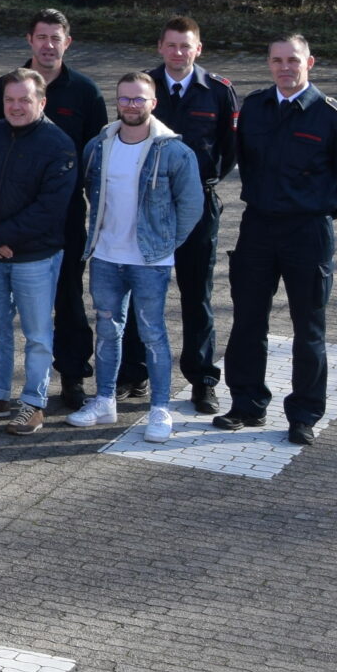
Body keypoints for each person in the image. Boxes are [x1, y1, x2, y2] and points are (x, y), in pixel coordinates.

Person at [213, 36, 337, 445]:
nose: (286, 67)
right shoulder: (255, 107)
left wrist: (324, 210)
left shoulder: (333, 117)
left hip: (308, 232)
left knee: (309, 327)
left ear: (310, 63)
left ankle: (303, 414)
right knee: (247, 321)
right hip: (259, 227)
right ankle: (246, 403)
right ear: (268, 64)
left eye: (293, 60)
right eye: (277, 60)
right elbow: (242, 158)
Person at [0, 10, 107, 407]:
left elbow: (95, 156)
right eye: (42, 37)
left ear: (68, 42)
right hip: (0, 224)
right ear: (29, 40)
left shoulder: (86, 92)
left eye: (56, 38)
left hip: (60, 219)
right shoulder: (4, 86)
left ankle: (72, 375)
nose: (48, 45)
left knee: (67, 299)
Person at [66, 74, 205, 442]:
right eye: (125, 98)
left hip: (149, 261)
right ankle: (104, 399)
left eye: (139, 99)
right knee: (107, 330)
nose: (131, 105)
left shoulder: (174, 151)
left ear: (153, 103)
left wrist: (163, 246)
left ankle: (159, 409)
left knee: (153, 334)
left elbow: (191, 207)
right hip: (106, 257)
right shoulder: (98, 146)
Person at [0, 70, 78, 436]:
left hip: (36, 258)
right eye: (10, 100)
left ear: (41, 102)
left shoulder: (59, 145)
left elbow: (51, 207)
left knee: (38, 334)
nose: (16, 107)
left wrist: (2, 235)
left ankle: (34, 403)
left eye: (24, 100)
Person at [149, 18, 238, 415]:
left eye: (186, 46)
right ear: (160, 48)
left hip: (198, 207)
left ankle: (202, 379)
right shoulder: (143, 86)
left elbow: (230, 149)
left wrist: (204, 181)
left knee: (197, 294)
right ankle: (133, 374)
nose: (178, 53)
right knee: (142, 289)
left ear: (198, 49)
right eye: (171, 45)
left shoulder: (218, 91)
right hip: (149, 206)